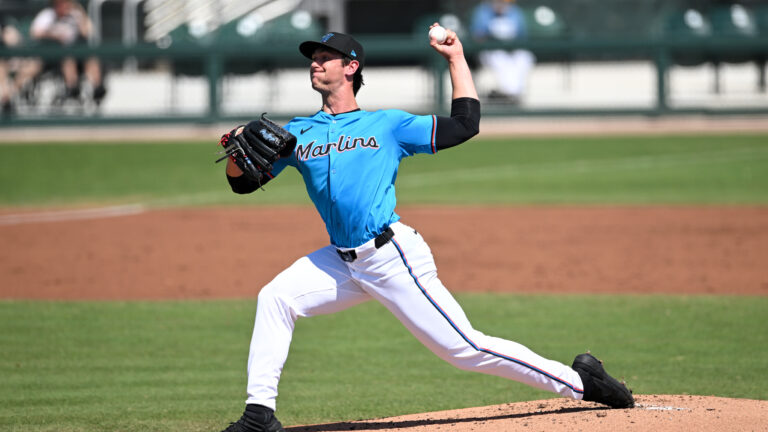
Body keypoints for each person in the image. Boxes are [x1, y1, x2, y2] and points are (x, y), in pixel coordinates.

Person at [218, 25, 633, 432]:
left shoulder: (387, 124)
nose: (316, 63)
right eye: (313, 58)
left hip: (389, 256)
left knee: (465, 349)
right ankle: (259, 415)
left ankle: (583, 383)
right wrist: (234, 148)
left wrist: (455, 57)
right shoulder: (298, 133)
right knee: (275, 297)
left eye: (326, 57)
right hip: (341, 262)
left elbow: (465, 124)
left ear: (351, 67)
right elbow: (243, 183)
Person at [29, 0, 106, 104]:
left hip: (78, 52)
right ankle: (72, 87)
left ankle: (97, 87)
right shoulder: (48, 15)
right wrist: (55, 35)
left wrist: (80, 12)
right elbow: (35, 33)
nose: (65, 6)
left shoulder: (75, 15)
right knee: (68, 58)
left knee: (90, 57)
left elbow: (88, 31)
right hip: (55, 55)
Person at [470, 0, 536, 104]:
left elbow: (522, 37)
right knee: (500, 58)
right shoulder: (483, 11)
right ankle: (510, 94)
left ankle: (512, 94)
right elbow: (477, 37)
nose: (501, 4)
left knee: (524, 57)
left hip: (512, 50)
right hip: (490, 51)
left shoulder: (515, 12)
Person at [0, 21, 42, 116]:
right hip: (3, 63)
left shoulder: (7, 25)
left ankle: (9, 97)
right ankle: (7, 98)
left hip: (19, 63)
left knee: (33, 65)